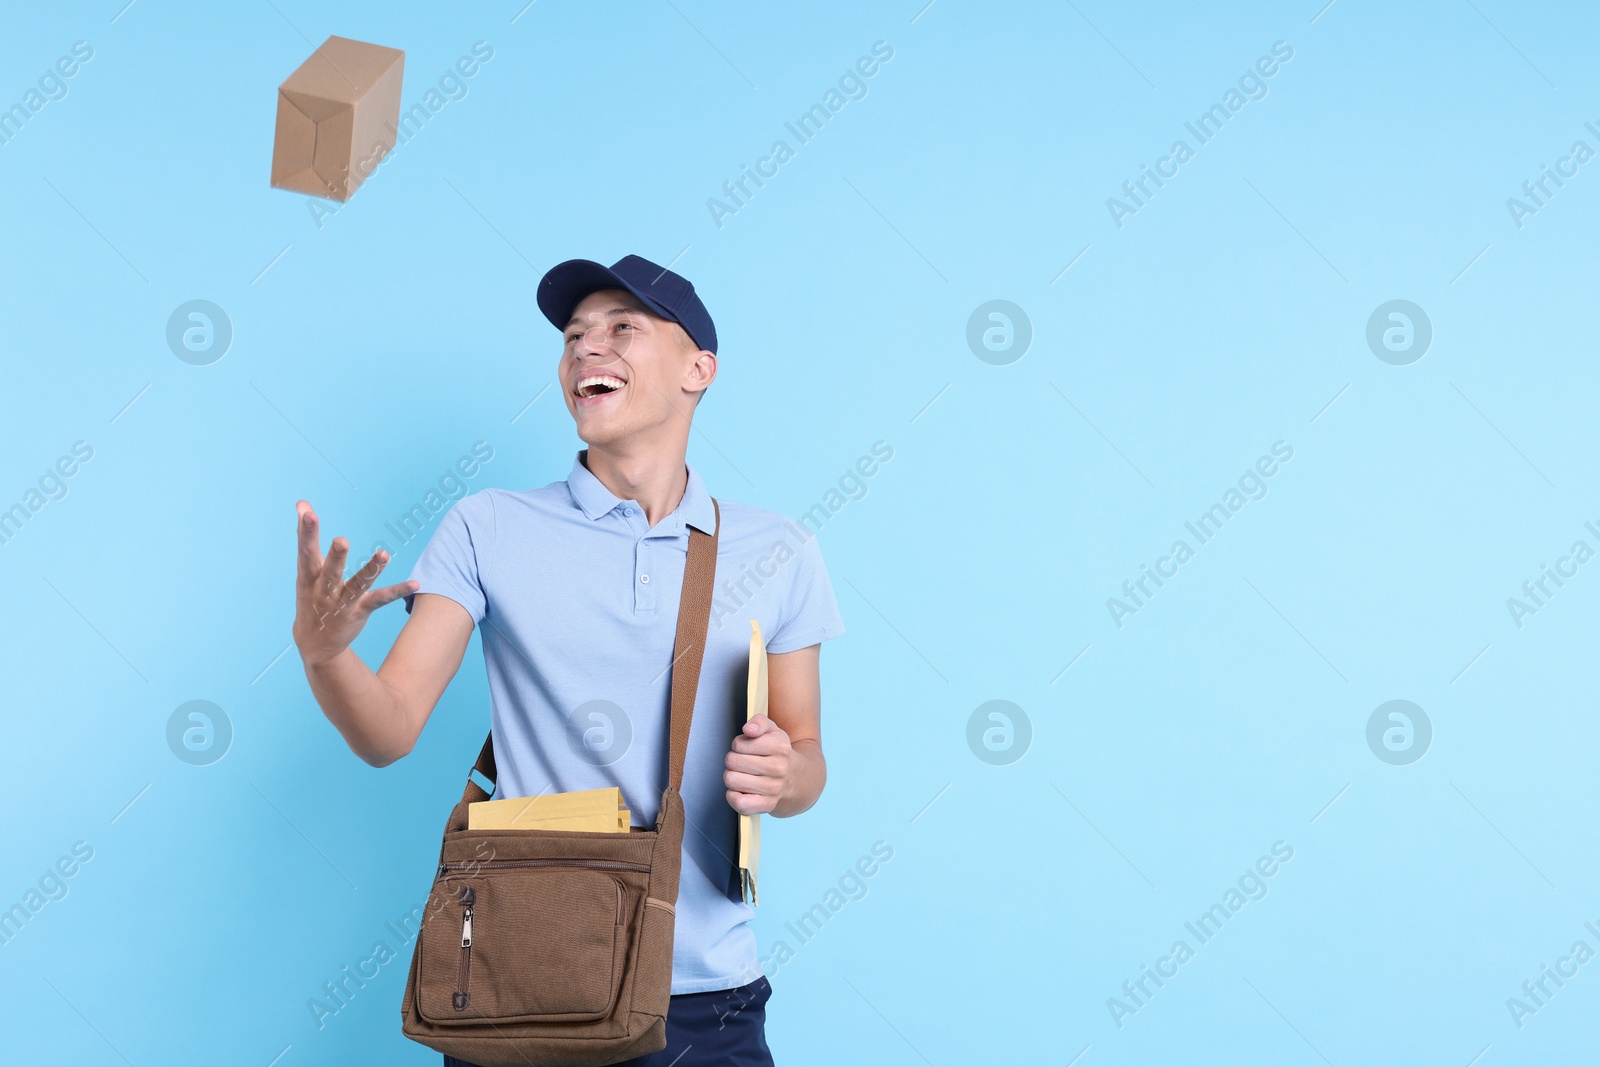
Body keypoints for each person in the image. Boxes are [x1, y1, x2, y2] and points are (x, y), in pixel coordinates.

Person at [291, 254, 845, 1066]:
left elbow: (806, 760)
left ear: (699, 369)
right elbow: (388, 730)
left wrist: (782, 776)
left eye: (623, 327)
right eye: (574, 335)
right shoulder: (487, 526)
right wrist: (324, 656)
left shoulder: (780, 549)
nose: (588, 348)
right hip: (529, 978)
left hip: (706, 994)